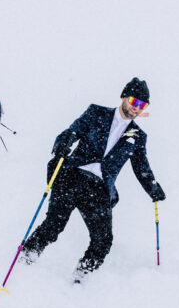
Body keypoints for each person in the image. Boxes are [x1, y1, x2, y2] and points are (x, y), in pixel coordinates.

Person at [21, 78, 166, 281]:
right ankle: (27, 255)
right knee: (54, 223)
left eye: (143, 105)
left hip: (99, 189)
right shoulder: (96, 112)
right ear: (124, 97)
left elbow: (141, 166)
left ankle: (82, 275)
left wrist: (153, 187)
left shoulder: (138, 136)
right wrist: (63, 142)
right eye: (134, 101)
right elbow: (72, 131)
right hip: (72, 176)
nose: (137, 108)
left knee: (103, 239)